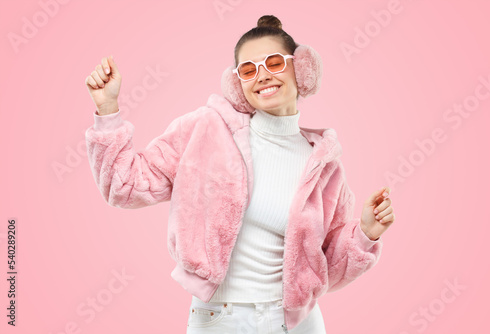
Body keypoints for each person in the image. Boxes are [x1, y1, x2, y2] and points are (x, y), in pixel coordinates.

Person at [84, 14, 396, 334]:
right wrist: (108, 112)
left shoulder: (324, 164)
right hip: (219, 319)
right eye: (248, 69)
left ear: (301, 68)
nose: (262, 76)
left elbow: (326, 268)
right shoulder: (207, 130)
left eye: (273, 62)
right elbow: (124, 186)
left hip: (297, 323)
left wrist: (365, 233)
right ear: (237, 83)